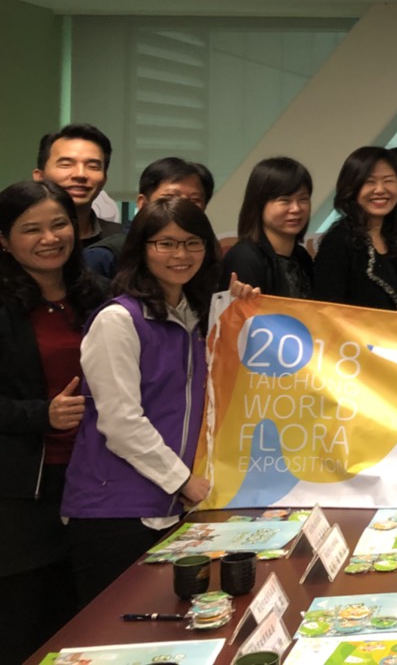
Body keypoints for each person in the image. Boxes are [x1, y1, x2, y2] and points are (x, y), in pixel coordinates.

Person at [60, 198, 221, 603]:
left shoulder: (196, 319)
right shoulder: (118, 320)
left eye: (193, 243)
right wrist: (182, 480)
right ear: (142, 249)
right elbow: (120, 422)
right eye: (166, 243)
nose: (181, 254)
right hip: (114, 511)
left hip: (176, 508)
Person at [0, 182, 107, 656]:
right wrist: (41, 414)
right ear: (4, 241)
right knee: (27, 628)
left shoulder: (98, 295)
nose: (49, 238)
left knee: (88, 625)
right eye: (31, 229)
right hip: (23, 495)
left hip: (97, 482)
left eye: (59, 224)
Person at [314, 147, 397, 311]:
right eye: (370, 181)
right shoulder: (339, 241)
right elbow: (326, 311)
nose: (380, 189)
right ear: (352, 188)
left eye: (388, 180)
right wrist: (385, 323)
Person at [83, 156, 215, 279]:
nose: (182, 207)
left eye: (194, 200)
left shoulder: (206, 252)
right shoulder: (105, 256)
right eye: (170, 198)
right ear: (143, 203)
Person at [218, 157, 315, 299]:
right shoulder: (245, 257)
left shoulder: (302, 256)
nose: (296, 208)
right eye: (284, 200)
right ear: (259, 204)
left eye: (303, 199)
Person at [32, 124, 122, 249]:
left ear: (104, 178)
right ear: (40, 176)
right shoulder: (17, 239)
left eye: (93, 166)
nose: (80, 175)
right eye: (66, 164)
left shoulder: (122, 241)